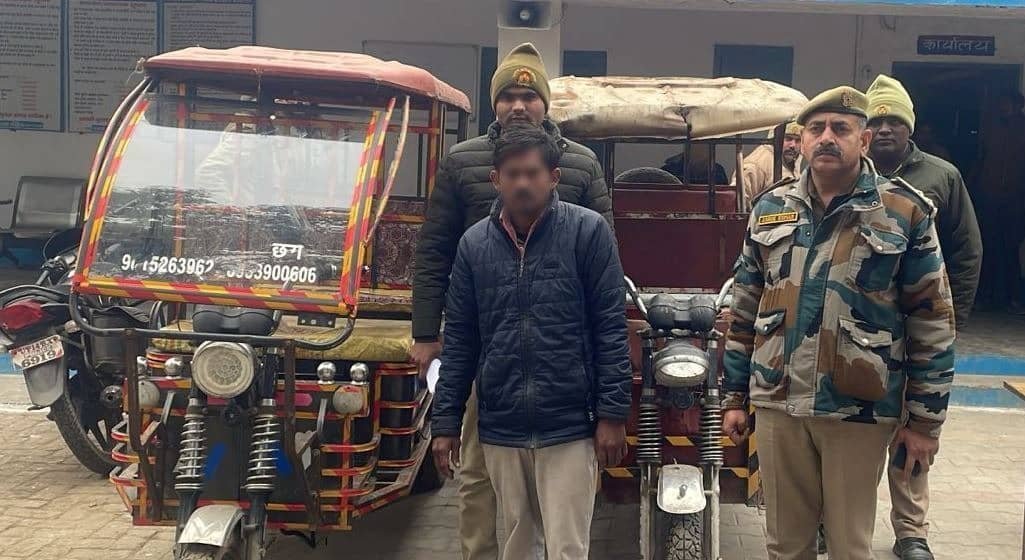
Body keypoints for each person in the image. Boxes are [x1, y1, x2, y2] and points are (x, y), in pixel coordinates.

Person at [721, 86, 956, 560]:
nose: (827, 137)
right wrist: (734, 397)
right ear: (802, 140)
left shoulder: (903, 211)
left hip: (858, 409)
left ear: (863, 140)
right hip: (779, 401)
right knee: (785, 545)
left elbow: (932, 321)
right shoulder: (770, 208)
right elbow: (744, 307)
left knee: (850, 546)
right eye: (816, 128)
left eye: (841, 128)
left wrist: (925, 423)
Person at [409, 42, 611, 560]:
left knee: (562, 486)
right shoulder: (462, 161)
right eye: (507, 97)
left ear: (545, 104)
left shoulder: (582, 164)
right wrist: (426, 333)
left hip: (559, 353)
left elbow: (606, 266)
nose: (518, 106)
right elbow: (434, 251)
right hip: (489, 348)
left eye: (529, 96)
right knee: (477, 473)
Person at [430, 125, 632, 560]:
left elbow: (610, 328)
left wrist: (613, 414)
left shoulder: (588, 232)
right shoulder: (473, 246)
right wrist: (445, 424)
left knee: (567, 547)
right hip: (502, 424)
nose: (523, 183)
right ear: (495, 179)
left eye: (533, 173)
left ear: (553, 177)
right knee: (518, 543)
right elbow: (461, 342)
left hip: (570, 422)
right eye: (512, 174)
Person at [864, 74, 982, 560]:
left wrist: (951, 325)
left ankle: (911, 531)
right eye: (876, 121)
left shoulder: (941, 177)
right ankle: (833, 520)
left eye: (894, 120)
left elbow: (967, 251)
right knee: (851, 432)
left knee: (914, 430)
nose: (884, 129)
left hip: (918, 330)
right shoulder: (848, 173)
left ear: (910, 127)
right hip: (858, 330)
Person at [975, 90, 1025, 310]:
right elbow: (981, 159)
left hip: (1015, 200)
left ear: (1018, 106)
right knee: (988, 245)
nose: (1003, 107)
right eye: (1001, 103)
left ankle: (1012, 297)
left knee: (1011, 248)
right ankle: (986, 295)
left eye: (1007, 103)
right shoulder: (991, 128)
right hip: (990, 197)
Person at [733, 122, 804, 209]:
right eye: (788, 139)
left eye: (798, 140)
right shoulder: (756, 164)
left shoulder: (792, 162)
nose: (793, 145)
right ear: (774, 138)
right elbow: (740, 205)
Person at [661, 143, 729, 185]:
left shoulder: (718, 171)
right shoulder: (669, 171)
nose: (700, 149)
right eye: (696, 144)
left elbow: (722, 199)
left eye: (704, 145)